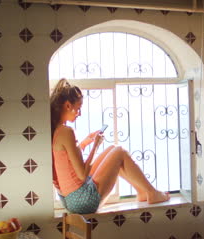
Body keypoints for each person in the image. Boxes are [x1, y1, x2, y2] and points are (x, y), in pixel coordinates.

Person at [50, 78, 169, 214]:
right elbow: (82, 175)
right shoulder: (67, 131)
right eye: (78, 108)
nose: (79, 113)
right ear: (67, 106)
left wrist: (84, 143)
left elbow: (67, 160)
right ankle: (151, 192)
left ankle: (142, 191)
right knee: (119, 151)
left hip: (70, 200)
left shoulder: (57, 130)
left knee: (112, 150)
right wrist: (95, 145)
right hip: (82, 200)